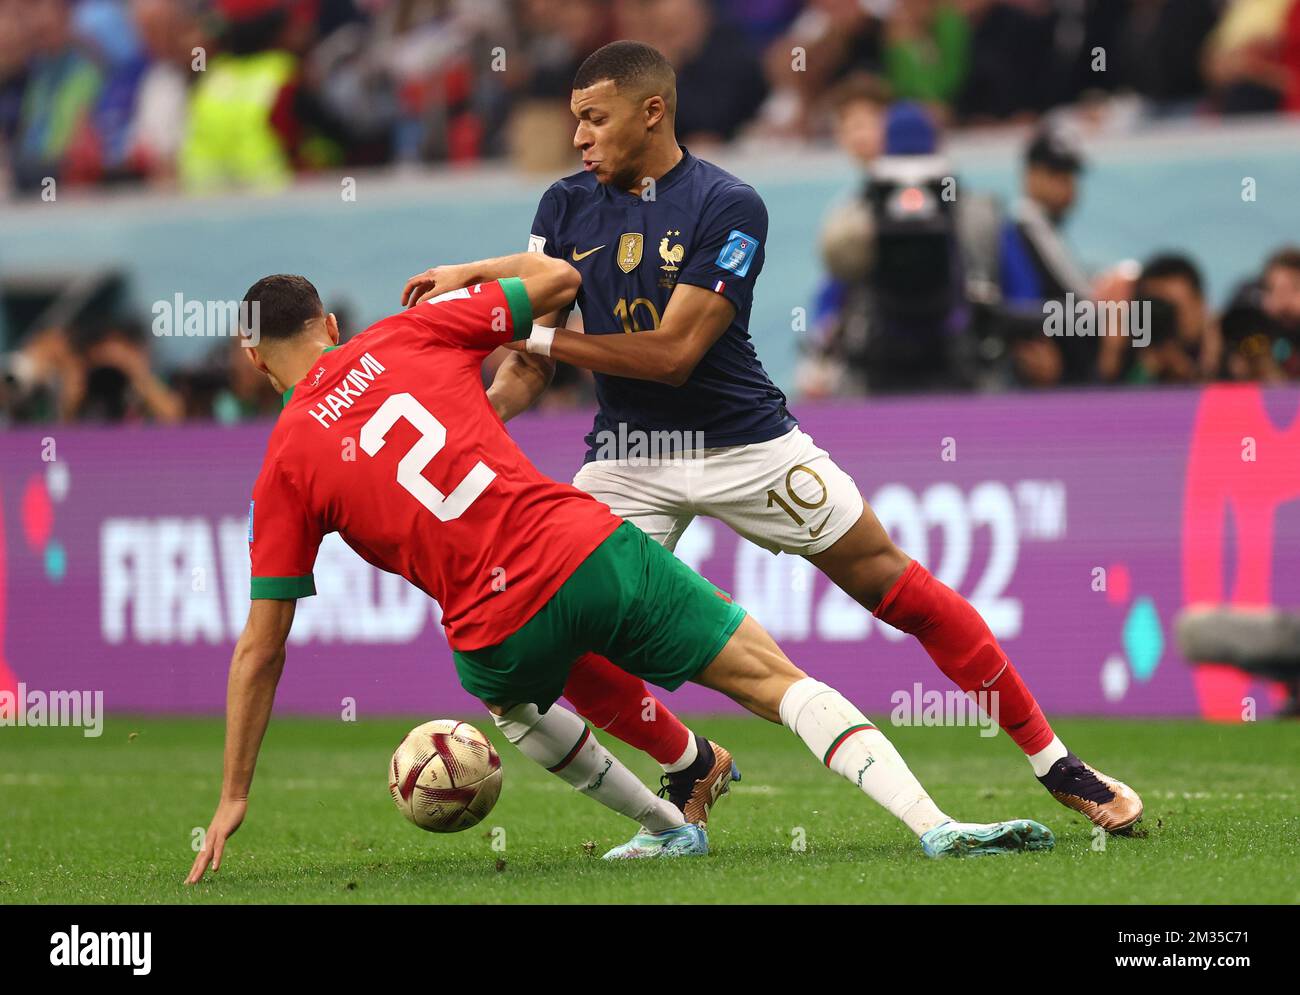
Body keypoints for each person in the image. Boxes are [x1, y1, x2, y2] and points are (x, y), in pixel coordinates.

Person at [447, 40, 1143, 835]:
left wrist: (536, 343)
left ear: (652, 111)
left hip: (746, 442)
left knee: (897, 588)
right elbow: (528, 370)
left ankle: (1055, 761)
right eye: (575, 122)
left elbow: (675, 355)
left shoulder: (727, 203)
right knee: (557, 632)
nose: (577, 137)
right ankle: (689, 765)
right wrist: (478, 418)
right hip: (629, 458)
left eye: (593, 119)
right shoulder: (563, 209)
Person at [184, 254, 1055, 885]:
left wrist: (232, 795)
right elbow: (563, 282)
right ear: (331, 327)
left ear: (256, 360)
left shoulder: (284, 468)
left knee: (515, 700)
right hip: (583, 548)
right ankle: (934, 825)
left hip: (494, 630)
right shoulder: (412, 329)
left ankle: (668, 820)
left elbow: (262, 648)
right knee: (773, 679)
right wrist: (472, 275)